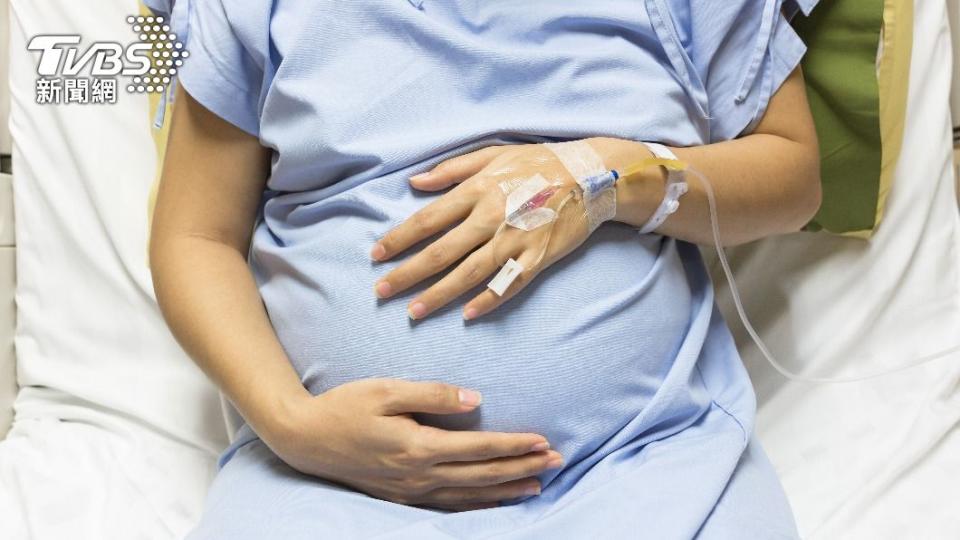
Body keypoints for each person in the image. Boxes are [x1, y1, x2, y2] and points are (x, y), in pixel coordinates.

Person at [149, 0, 821, 537]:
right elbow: (195, 236)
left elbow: (792, 176)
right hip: (328, 486)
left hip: (649, 469)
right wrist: (293, 425)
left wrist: (605, 175)